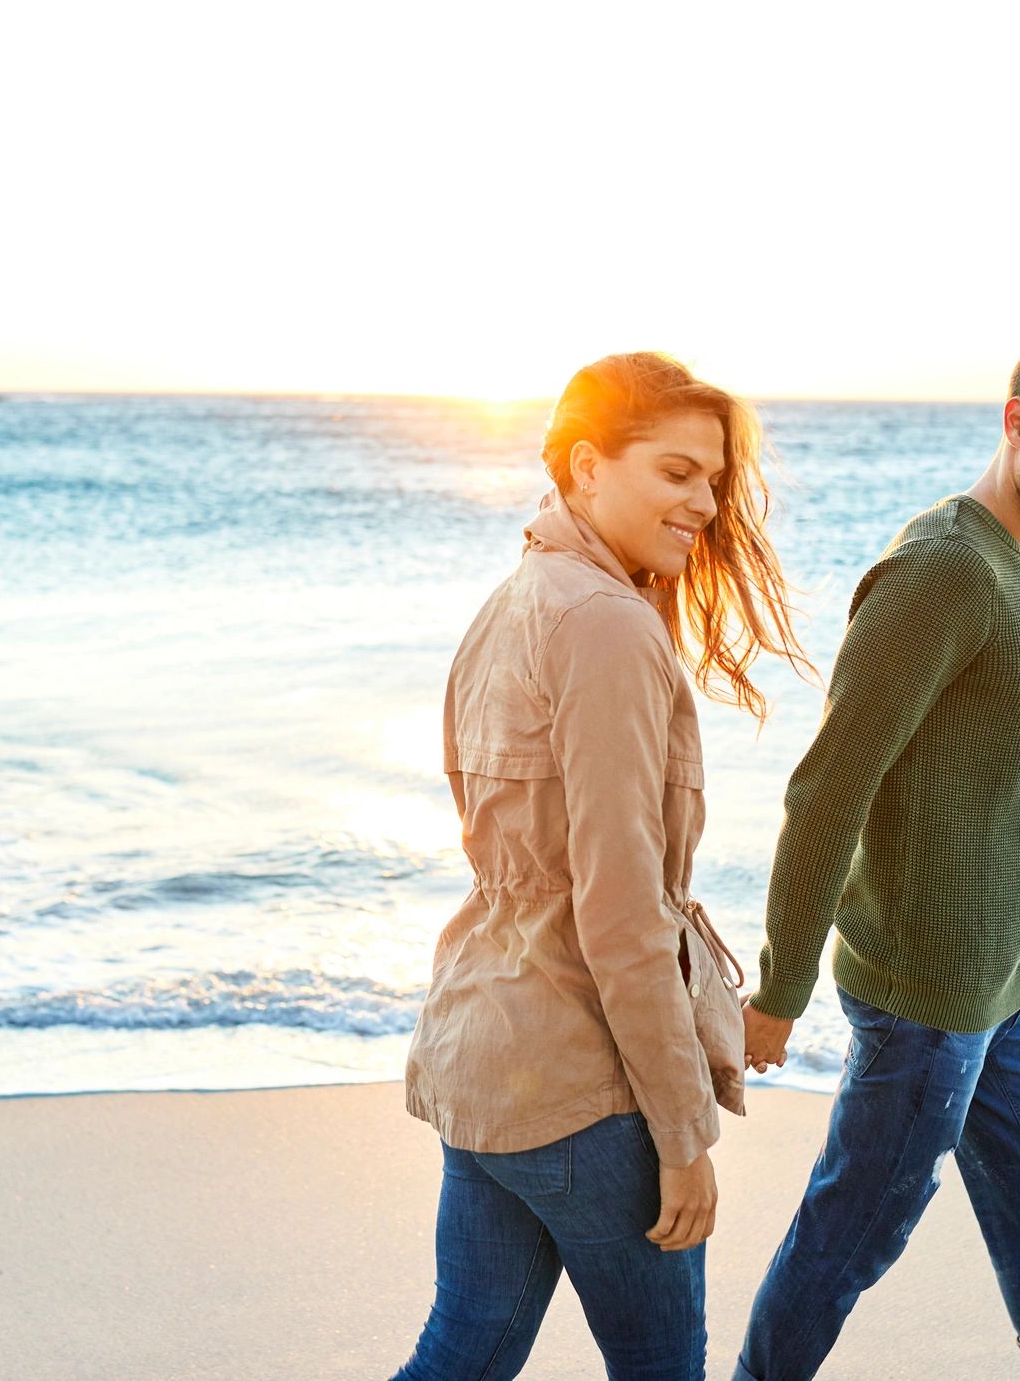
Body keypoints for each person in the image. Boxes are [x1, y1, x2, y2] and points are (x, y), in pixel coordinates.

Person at [732, 328, 1020, 1381]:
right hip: (926, 997)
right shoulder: (943, 570)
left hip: (1000, 980)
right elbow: (832, 783)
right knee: (854, 1231)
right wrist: (779, 985)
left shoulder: (1002, 559)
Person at [395, 352, 812, 1381]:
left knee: (465, 1352)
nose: (707, 505)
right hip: (585, 1085)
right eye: (676, 474)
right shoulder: (607, 626)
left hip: (486, 1051)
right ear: (587, 467)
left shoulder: (518, 596)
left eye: (714, 480)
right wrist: (681, 1135)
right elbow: (621, 912)